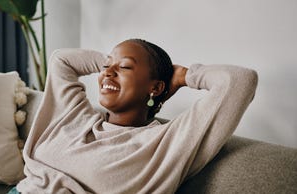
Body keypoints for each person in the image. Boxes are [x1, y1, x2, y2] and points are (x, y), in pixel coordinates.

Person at [15, 39, 258, 194]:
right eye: (106, 67)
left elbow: (240, 81)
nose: (107, 73)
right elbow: (62, 60)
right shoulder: (75, 115)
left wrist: (184, 76)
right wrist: (112, 64)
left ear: (156, 87)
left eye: (126, 67)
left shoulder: (165, 144)